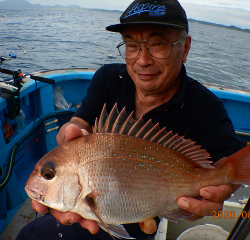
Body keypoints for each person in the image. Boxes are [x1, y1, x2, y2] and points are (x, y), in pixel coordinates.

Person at [17, 0, 246, 239]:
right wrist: (70, 132)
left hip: (142, 219)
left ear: (185, 48)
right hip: (85, 210)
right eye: (131, 45)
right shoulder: (108, 78)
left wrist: (221, 189)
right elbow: (79, 124)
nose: (142, 60)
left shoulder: (206, 108)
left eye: (158, 44)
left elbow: (233, 169)